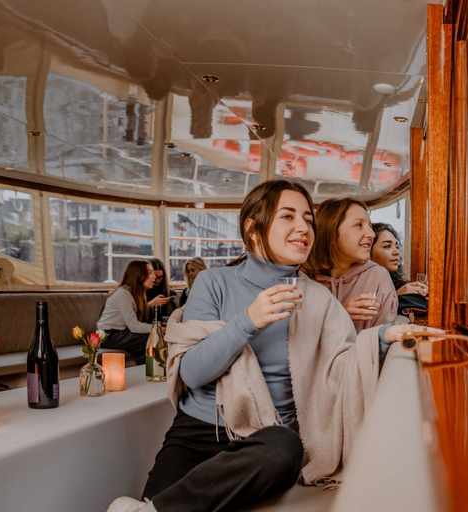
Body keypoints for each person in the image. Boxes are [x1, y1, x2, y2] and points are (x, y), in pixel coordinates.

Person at [107, 180, 437, 512]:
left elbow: (341, 365)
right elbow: (192, 373)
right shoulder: (213, 282)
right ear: (253, 228)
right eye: (288, 217)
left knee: (284, 447)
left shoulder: (318, 299)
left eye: (308, 219)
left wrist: (382, 339)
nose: (303, 228)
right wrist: (249, 319)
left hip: (266, 442)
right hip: (196, 432)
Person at [302, 198, 397, 333]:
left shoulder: (378, 277)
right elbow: (296, 340)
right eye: (358, 225)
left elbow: (381, 341)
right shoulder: (302, 278)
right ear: (331, 231)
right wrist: (339, 314)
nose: (371, 234)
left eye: (369, 225)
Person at [98, 260, 169, 364]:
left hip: (120, 333)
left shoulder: (135, 294)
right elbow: (134, 326)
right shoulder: (123, 294)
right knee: (154, 338)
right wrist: (160, 329)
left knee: (153, 338)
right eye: (150, 272)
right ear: (138, 275)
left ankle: (147, 370)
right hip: (109, 336)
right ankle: (153, 370)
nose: (153, 277)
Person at [370, 223, 427, 316]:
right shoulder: (361, 285)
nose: (396, 252)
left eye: (396, 246)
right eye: (387, 246)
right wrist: (395, 296)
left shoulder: (397, 284)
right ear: (368, 250)